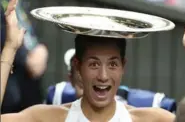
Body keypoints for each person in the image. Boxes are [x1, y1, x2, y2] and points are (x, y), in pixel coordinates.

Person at [1, 0, 185, 122]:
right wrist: (10, 48)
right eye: (93, 64)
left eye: (113, 64)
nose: (103, 75)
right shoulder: (50, 117)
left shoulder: (147, 119)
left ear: (123, 67)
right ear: (77, 67)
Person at [45, 48, 177, 113]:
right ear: (71, 80)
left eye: (111, 65)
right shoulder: (58, 100)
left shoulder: (146, 107)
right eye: (82, 85)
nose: (100, 76)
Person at [1, 0, 48, 113]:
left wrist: (40, 47)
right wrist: (24, 57)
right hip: (9, 91)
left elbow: (25, 23)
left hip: (29, 91)